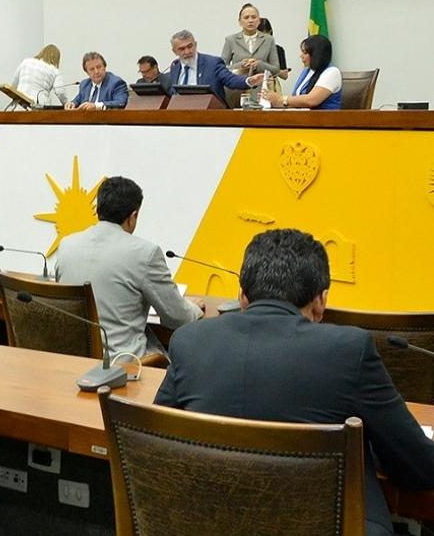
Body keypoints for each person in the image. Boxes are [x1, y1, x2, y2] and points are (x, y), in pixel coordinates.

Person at [155, 229, 434, 536]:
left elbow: (156, 442)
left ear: (242, 296)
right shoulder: (349, 350)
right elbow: (418, 468)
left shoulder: (189, 342)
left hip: (206, 523)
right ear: (321, 301)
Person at [53, 176, 203, 358]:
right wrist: (193, 308)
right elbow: (177, 318)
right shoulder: (146, 253)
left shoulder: (67, 245)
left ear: (98, 209)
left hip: (73, 361)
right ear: (133, 216)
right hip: (124, 366)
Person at [166, 30, 263, 107]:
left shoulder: (212, 63)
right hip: (181, 114)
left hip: (211, 114)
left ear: (195, 45)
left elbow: (230, 79)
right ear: (174, 51)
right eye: (182, 49)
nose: (187, 51)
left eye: (190, 46)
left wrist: (249, 80)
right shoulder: (175, 67)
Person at [261, 35, 343, 110]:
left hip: (324, 122)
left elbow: (311, 100)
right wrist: (270, 98)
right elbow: (296, 97)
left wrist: (281, 99)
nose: (301, 56)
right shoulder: (307, 70)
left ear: (316, 54)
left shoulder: (332, 72)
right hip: (303, 119)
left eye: (305, 53)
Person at [220, 3, 281, 77]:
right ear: (240, 22)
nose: (250, 20)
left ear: (259, 21)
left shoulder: (269, 40)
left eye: (254, 17)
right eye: (246, 17)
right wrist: (240, 65)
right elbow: (221, 68)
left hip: (261, 86)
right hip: (237, 85)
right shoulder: (230, 40)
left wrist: (260, 65)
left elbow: (276, 69)